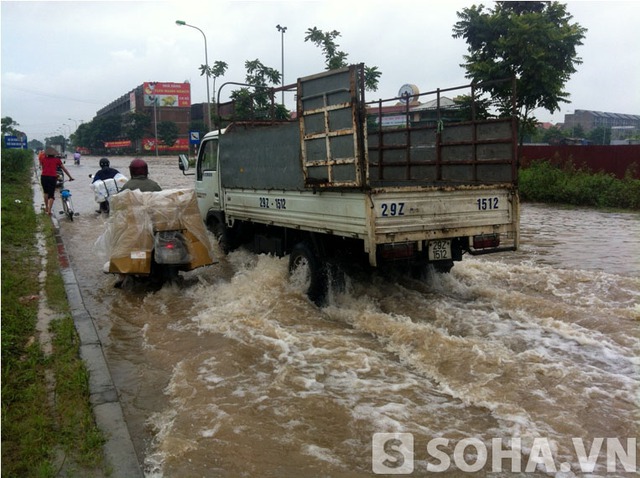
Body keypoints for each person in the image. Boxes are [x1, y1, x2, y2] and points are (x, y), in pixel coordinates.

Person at [40, 147, 74, 215]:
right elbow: (64, 169)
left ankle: (46, 207)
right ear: (54, 154)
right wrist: (70, 177)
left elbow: (43, 168)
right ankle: (49, 210)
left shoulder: (43, 159)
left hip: (43, 177)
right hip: (52, 178)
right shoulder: (57, 160)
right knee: (51, 195)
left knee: (46, 193)